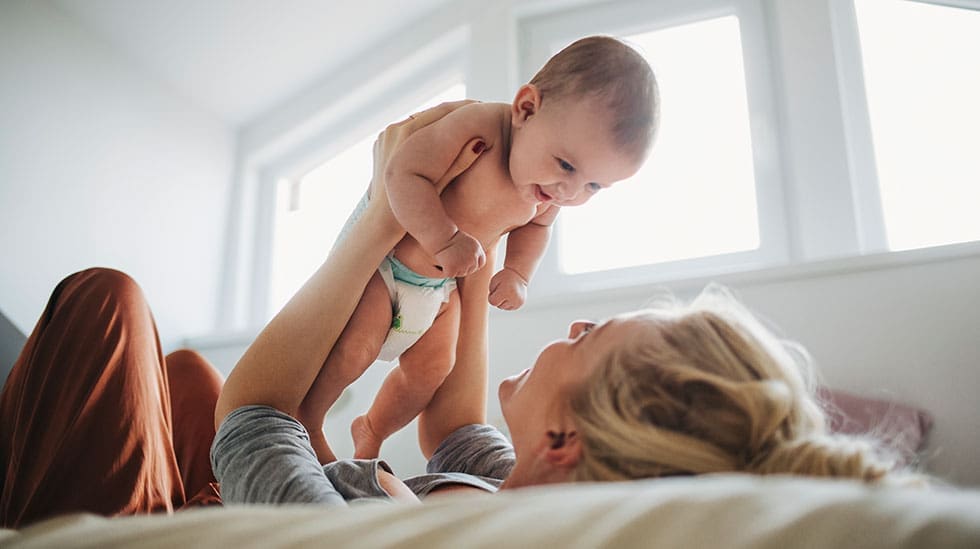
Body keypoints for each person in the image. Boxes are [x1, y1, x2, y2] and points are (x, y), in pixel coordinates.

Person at [312, 35, 659, 462]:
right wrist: (443, 238)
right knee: (356, 349)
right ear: (526, 108)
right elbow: (402, 172)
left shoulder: (545, 194)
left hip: (437, 292)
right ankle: (308, 418)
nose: (569, 191)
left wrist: (517, 274)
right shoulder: (479, 129)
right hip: (385, 266)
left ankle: (372, 429)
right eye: (566, 165)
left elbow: (536, 230)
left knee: (432, 370)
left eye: (593, 185)